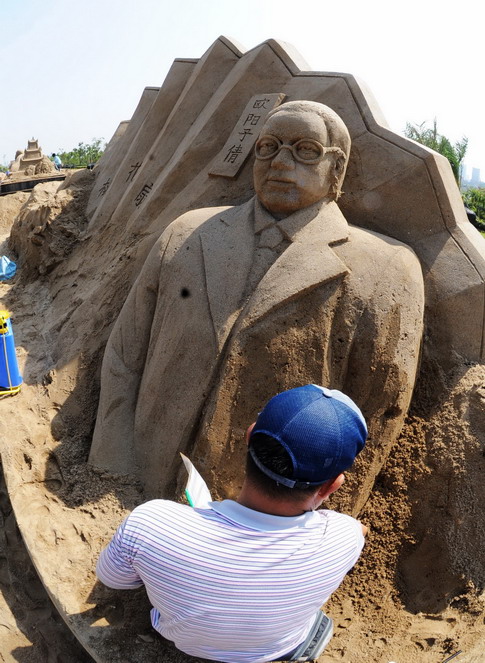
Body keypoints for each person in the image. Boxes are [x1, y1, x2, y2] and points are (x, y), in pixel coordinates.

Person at [89, 101, 424, 508]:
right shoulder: (187, 233)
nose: (280, 162)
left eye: (305, 150)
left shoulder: (387, 268)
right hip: (144, 483)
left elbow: (376, 413)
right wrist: (112, 467)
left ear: (337, 168)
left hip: (271, 511)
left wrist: (320, 519)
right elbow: (126, 355)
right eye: (268, 147)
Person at [96, 384, 368, 663]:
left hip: (184, 642)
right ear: (332, 486)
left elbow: (112, 578)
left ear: (249, 437)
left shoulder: (151, 523)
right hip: (274, 650)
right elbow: (359, 530)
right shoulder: (344, 537)